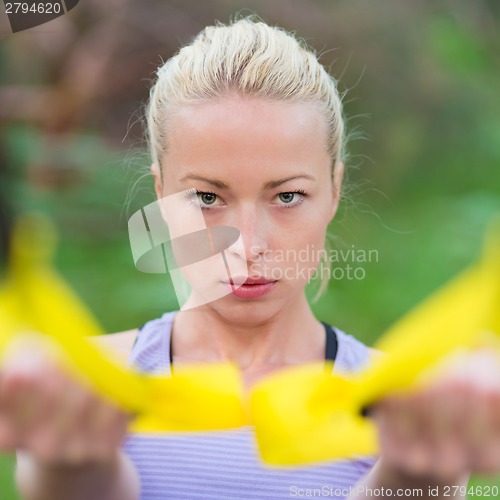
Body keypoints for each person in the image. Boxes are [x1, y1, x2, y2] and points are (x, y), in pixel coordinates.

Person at [4, 16, 500, 500]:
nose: (246, 245)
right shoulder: (77, 385)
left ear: (334, 190)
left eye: (286, 197)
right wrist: (73, 456)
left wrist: (414, 470)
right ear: (160, 195)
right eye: (206, 197)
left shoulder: (410, 407)